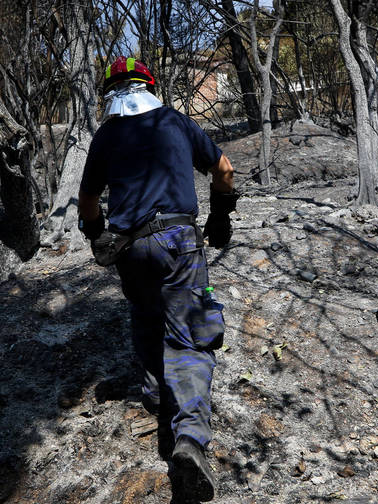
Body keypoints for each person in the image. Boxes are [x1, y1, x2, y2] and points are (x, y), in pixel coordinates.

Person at [77, 56, 238, 502]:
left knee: (146, 314)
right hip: (178, 241)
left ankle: (156, 395)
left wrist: (95, 234)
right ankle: (189, 438)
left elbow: (88, 200)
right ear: (150, 85)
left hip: (131, 248)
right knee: (190, 338)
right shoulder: (175, 121)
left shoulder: (107, 134)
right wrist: (222, 214)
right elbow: (223, 170)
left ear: (111, 92)